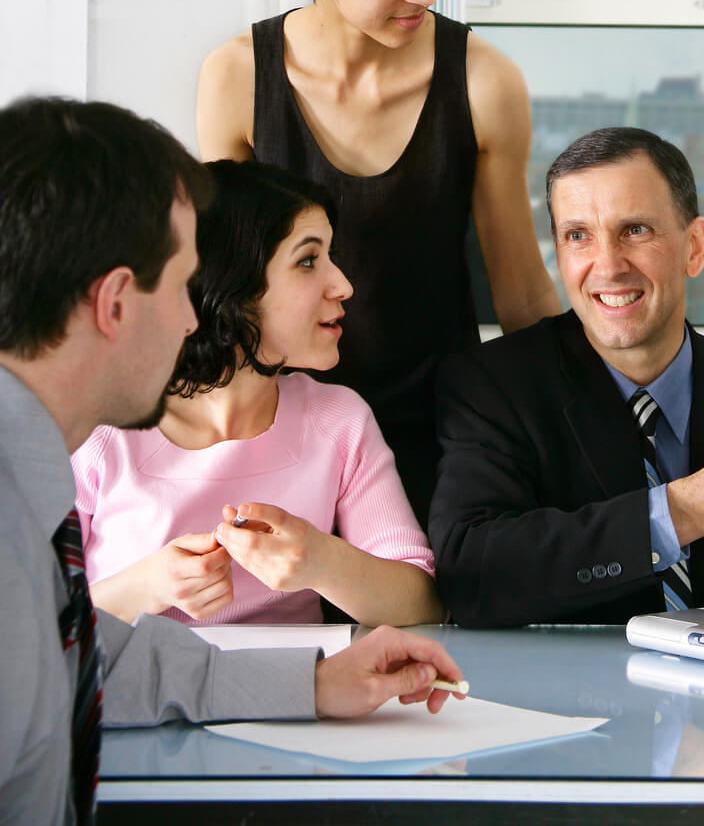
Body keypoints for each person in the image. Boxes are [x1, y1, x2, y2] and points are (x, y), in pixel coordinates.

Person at [0, 97, 463, 826]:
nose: (194, 319)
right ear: (116, 301)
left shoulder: (30, 471)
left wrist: (311, 686)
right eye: (182, 284)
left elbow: (95, 660)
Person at [196, 0, 559, 522]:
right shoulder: (237, 77)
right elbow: (217, 287)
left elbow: (519, 297)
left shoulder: (484, 81)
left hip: (445, 436)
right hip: (285, 431)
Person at [429, 127, 704, 628]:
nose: (607, 266)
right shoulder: (491, 388)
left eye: (635, 231)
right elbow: (472, 576)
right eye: (578, 236)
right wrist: (681, 512)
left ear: (695, 246)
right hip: (571, 700)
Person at [72, 159, 440, 629]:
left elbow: (423, 606)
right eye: (308, 261)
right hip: (134, 699)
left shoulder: (339, 420)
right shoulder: (97, 428)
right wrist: (145, 587)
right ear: (233, 285)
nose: (343, 285)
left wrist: (324, 560)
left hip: (302, 695)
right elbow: (29, 625)